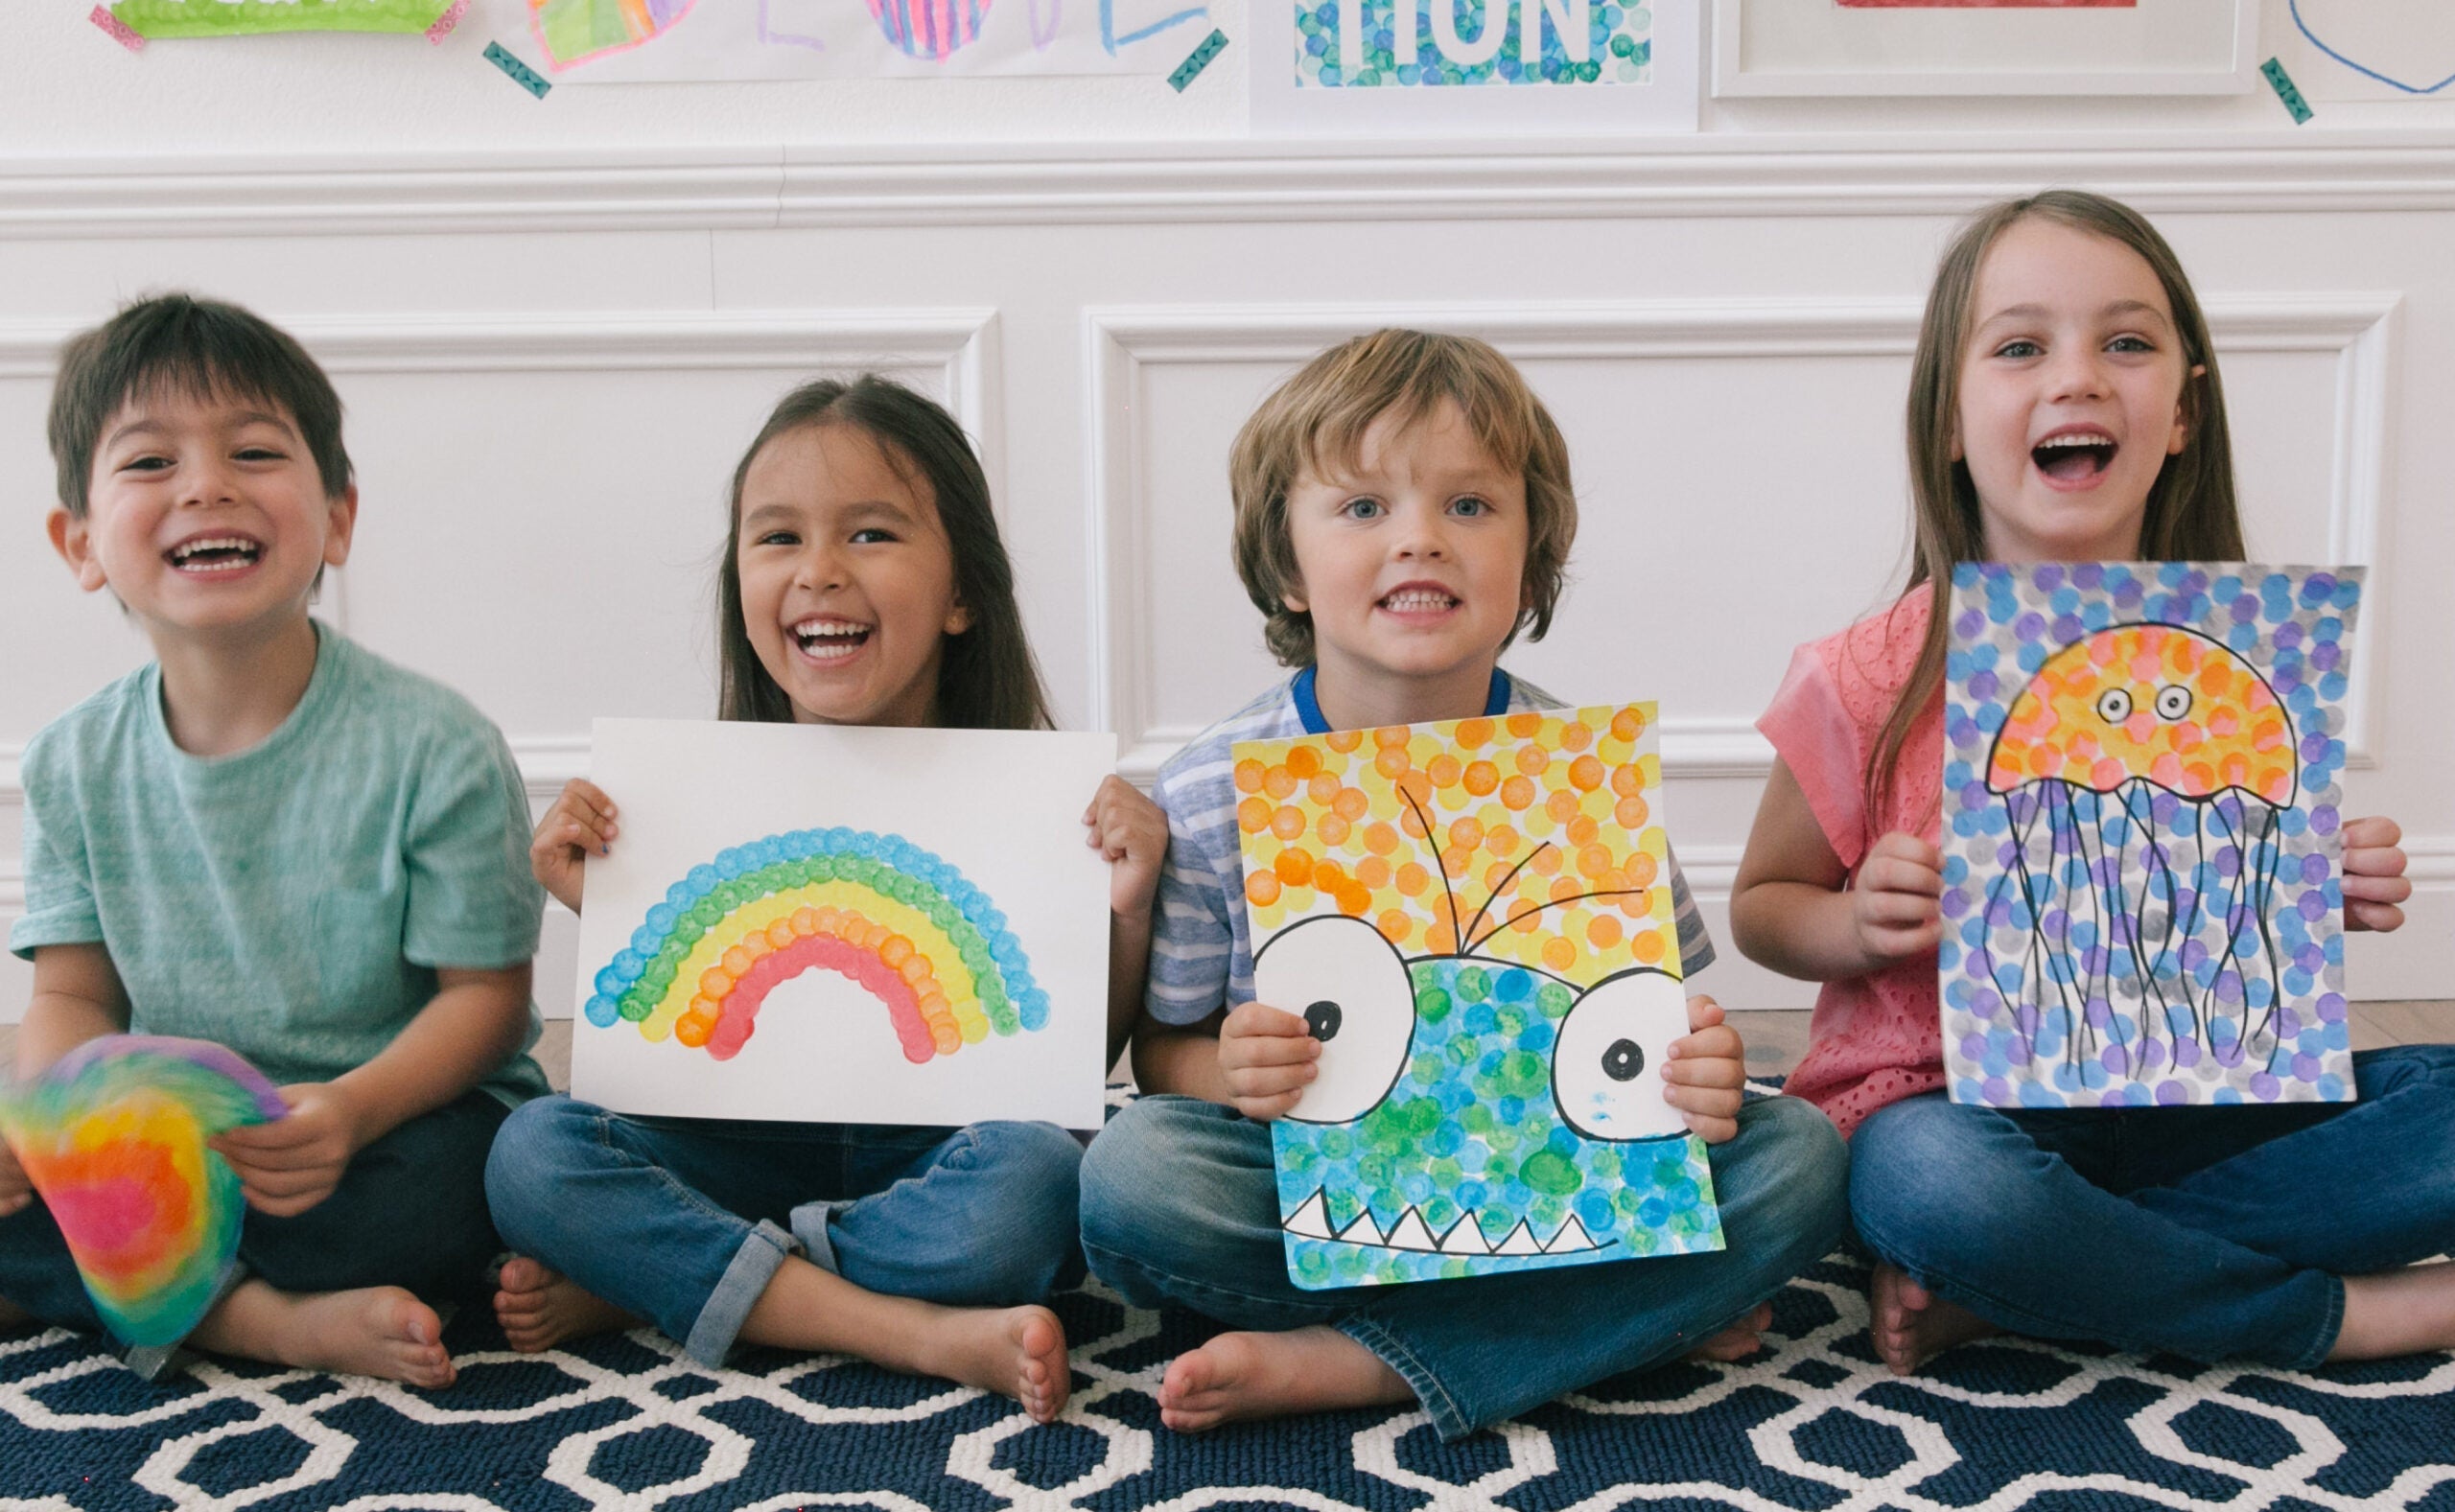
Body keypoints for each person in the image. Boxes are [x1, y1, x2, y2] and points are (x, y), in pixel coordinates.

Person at [1729, 189, 2455, 1377]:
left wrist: (2325, 890)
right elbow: (1762, 902)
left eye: (2126, 341)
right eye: (2020, 346)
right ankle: (2331, 1313)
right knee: (1930, 1186)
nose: (2076, 378)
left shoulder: (2241, 665)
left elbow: (2247, 931)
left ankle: (2043, 1287)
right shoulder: (1866, 672)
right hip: (1954, 1108)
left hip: (2205, 1114)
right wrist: (1856, 924)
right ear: (1950, 421)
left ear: (2181, 413)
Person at [1079, 328, 1850, 1440]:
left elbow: (1663, 1019)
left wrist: (1706, 1067)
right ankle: (1606, 1318)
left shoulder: (1576, 772)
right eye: (1362, 508)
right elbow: (1158, 1059)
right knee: (1134, 1179)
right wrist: (1231, 1067)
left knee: (1802, 1158)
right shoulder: (1211, 790)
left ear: (1531, 561)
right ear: (1286, 565)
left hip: (1558, 1171)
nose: (1419, 541)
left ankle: (1362, 1361)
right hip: (1323, 1177)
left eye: (1470, 507)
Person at [484, 375, 1165, 1423]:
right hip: (723, 1145)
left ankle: (675, 1281)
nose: (820, 573)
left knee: (1036, 1183)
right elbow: (672, 1012)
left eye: (872, 534)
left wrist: (1126, 904)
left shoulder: (1040, 798)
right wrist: (595, 896)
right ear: (740, 589)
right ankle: (906, 1327)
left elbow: (1079, 1059)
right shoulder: (680, 796)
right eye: (779, 539)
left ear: (961, 592)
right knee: (530, 1153)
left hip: (928, 1154)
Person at [1, 293, 548, 1388]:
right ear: (79, 544)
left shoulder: (434, 743)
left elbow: (484, 1003)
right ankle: (266, 1322)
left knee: (506, 1177)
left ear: (337, 518)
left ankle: (177, 1293)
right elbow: (74, 1000)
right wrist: (44, 1130)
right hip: (180, 1137)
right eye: (150, 462)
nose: (206, 484)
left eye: (253, 450)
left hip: (396, 1118)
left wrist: (347, 1108)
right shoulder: (71, 761)